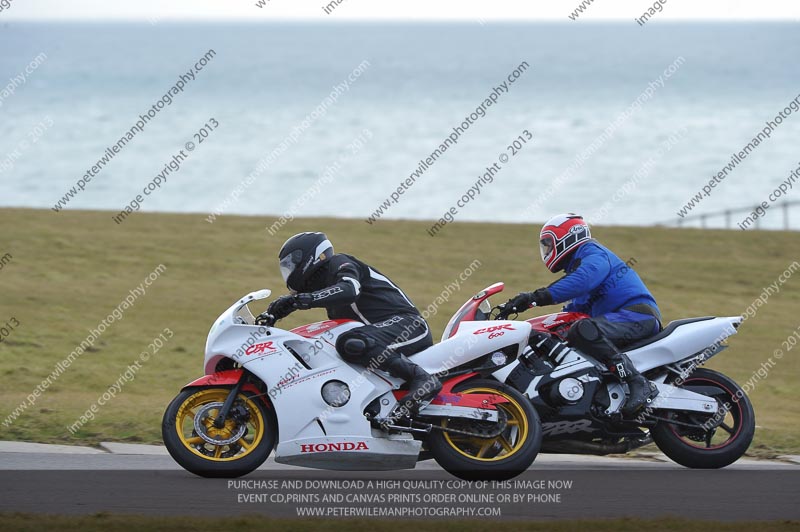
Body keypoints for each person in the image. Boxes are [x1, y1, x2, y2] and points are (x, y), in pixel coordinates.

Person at [260, 231, 441, 418]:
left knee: (351, 342)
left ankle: (423, 379)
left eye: (291, 265)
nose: (288, 272)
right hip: (381, 334)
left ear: (307, 257)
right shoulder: (325, 288)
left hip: (409, 325)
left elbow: (349, 289)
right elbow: (313, 297)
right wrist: (275, 313)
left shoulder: (340, 263)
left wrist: (303, 300)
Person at [502, 214, 660, 416]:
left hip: (636, 316)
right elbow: (575, 310)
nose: (547, 250)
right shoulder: (579, 265)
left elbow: (582, 281)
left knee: (583, 330)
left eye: (549, 244)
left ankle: (636, 382)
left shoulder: (594, 255)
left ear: (567, 237)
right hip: (618, 319)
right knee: (564, 333)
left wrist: (534, 298)